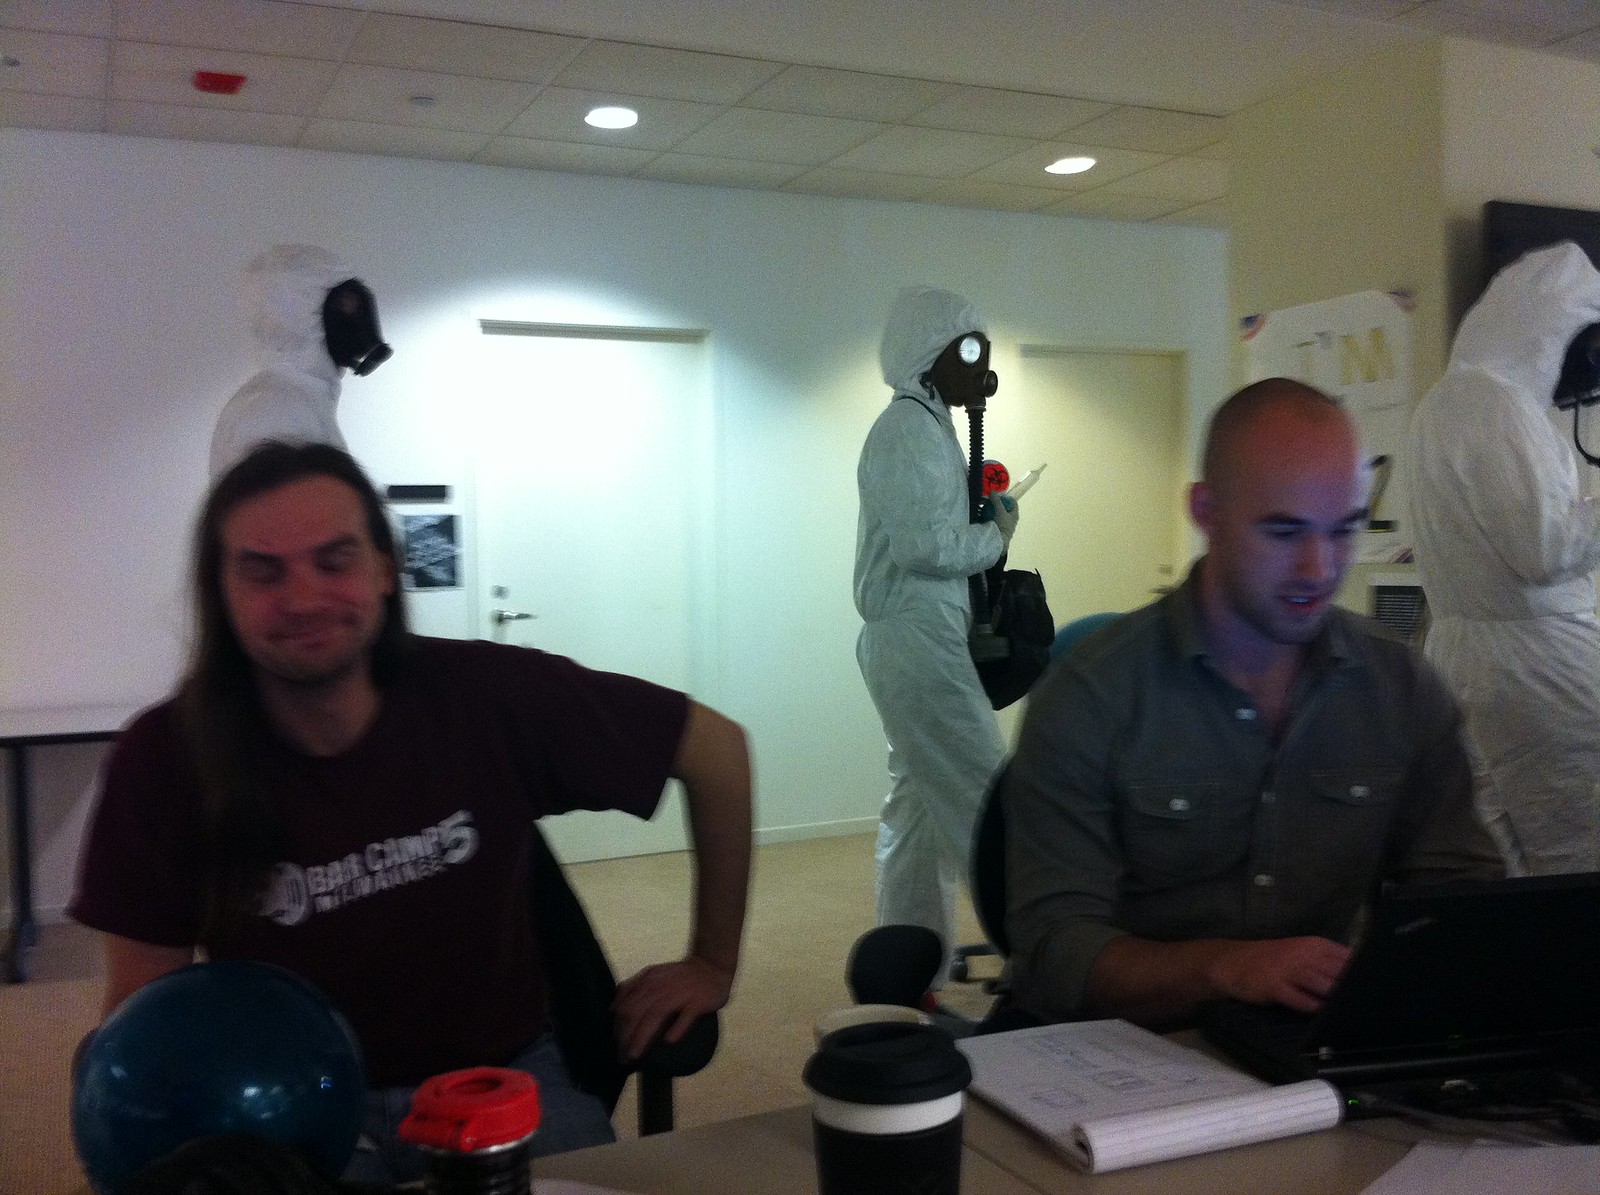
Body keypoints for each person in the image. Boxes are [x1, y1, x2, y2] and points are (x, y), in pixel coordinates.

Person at [70, 441, 753, 1185]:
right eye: (264, 572)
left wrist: (711, 962)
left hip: (500, 1076)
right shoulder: (166, 758)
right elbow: (147, 1018)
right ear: (221, 593)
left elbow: (714, 749)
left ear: (385, 569)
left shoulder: (487, 695)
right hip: (291, 1101)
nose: (304, 598)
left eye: (334, 560)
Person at [1003, 378, 1502, 1029]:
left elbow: (1461, 896)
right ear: (1206, 511)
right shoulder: (1093, 693)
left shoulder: (1398, 687)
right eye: (1284, 532)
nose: (1319, 569)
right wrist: (1226, 968)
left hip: (1308, 1037)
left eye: (1343, 530)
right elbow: (1053, 954)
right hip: (1123, 1045)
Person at [1408, 240, 1600, 876]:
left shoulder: (1444, 402)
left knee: (1494, 859)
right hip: (1538, 668)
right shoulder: (1495, 404)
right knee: (1576, 858)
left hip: (1465, 659)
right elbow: (1544, 551)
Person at [854, 285, 1019, 979]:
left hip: (917, 636)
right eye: (969, 350)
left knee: (918, 813)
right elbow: (926, 547)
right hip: (918, 640)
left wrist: (984, 518)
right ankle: (1042, 953)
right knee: (988, 797)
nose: (982, 369)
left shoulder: (930, 427)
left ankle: (909, 966)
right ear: (928, 351)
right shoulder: (908, 431)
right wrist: (995, 535)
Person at [208, 245, 393, 478]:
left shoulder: (295, 399)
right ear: (299, 316)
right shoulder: (275, 413)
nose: (359, 316)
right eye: (346, 303)